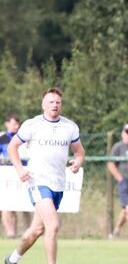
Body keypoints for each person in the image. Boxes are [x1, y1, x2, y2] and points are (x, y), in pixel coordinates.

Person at [4, 88, 85, 264]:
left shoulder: (69, 127)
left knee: (37, 229)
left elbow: (79, 151)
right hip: (38, 182)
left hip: (58, 184)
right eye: (51, 102)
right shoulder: (32, 124)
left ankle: (12, 259)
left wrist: (78, 162)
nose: (55, 105)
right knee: (53, 225)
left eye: (58, 102)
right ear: (43, 105)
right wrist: (19, 169)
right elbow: (12, 147)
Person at [1, 115, 25, 238]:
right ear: (7, 124)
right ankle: (10, 233)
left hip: (21, 174)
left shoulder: (23, 137)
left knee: (24, 205)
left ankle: (28, 231)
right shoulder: (2, 138)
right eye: (14, 123)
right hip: (6, 175)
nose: (16, 126)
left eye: (17, 124)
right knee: (6, 205)